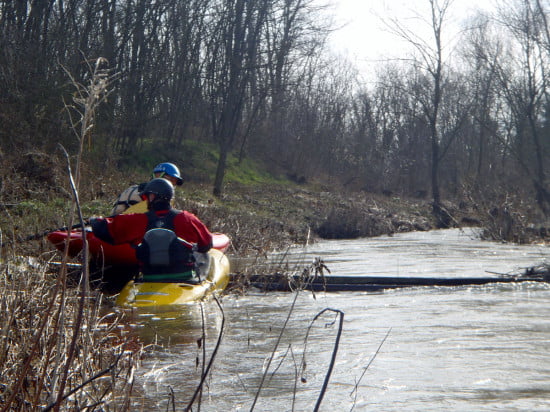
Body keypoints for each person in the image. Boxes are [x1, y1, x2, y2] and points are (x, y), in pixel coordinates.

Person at [92, 178, 212, 282]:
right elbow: (206, 244)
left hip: (150, 277)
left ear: (153, 196)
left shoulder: (138, 220)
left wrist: (93, 221)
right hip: (182, 277)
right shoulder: (187, 218)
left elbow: (106, 230)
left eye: (147, 196)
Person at [111, 162, 184, 215]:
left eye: (174, 182)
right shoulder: (135, 192)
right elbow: (116, 214)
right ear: (157, 176)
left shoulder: (169, 200)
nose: (172, 185)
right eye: (171, 180)